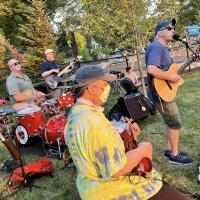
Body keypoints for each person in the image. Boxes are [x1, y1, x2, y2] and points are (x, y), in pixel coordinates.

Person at [65, 65, 192, 200]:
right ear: (91, 88)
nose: (108, 87)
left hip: (89, 187)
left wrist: (125, 134)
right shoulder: (93, 122)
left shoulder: (76, 114)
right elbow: (116, 170)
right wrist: (144, 149)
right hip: (116, 191)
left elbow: (94, 149)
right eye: (105, 84)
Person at [145, 19, 193, 165]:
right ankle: (174, 154)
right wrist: (171, 77)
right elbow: (151, 69)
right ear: (160, 32)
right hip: (161, 94)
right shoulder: (157, 47)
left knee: (169, 122)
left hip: (161, 92)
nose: (173, 31)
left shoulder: (160, 48)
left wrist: (174, 77)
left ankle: (169, 149)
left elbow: (167, 70)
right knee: (174, 123)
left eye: (174, 28)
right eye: (170, 28)